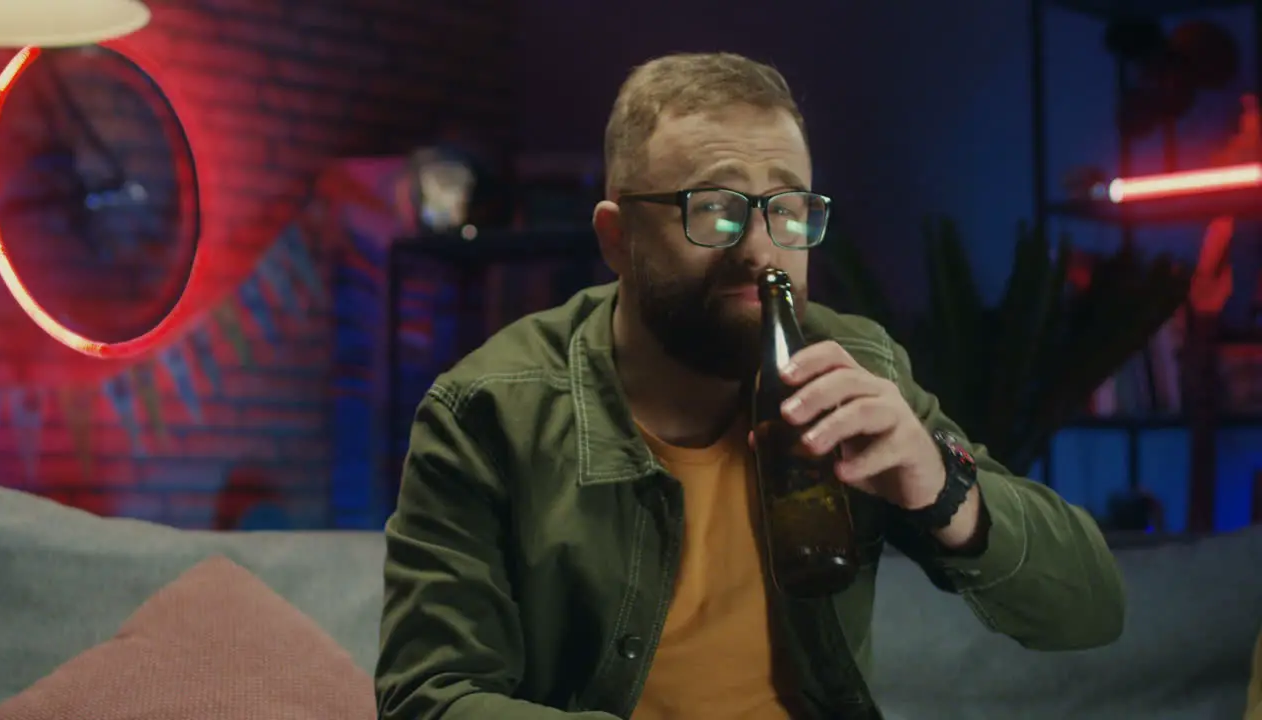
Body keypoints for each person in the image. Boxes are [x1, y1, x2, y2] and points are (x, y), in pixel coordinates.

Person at [376, 52, 1126, 720]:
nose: (763, 248)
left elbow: (1092, 611)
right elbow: (429, 697)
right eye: (715, 210)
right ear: (617, 239)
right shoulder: (486, 411)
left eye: (788, 209)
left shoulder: (855, 364)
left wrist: (940, 485)